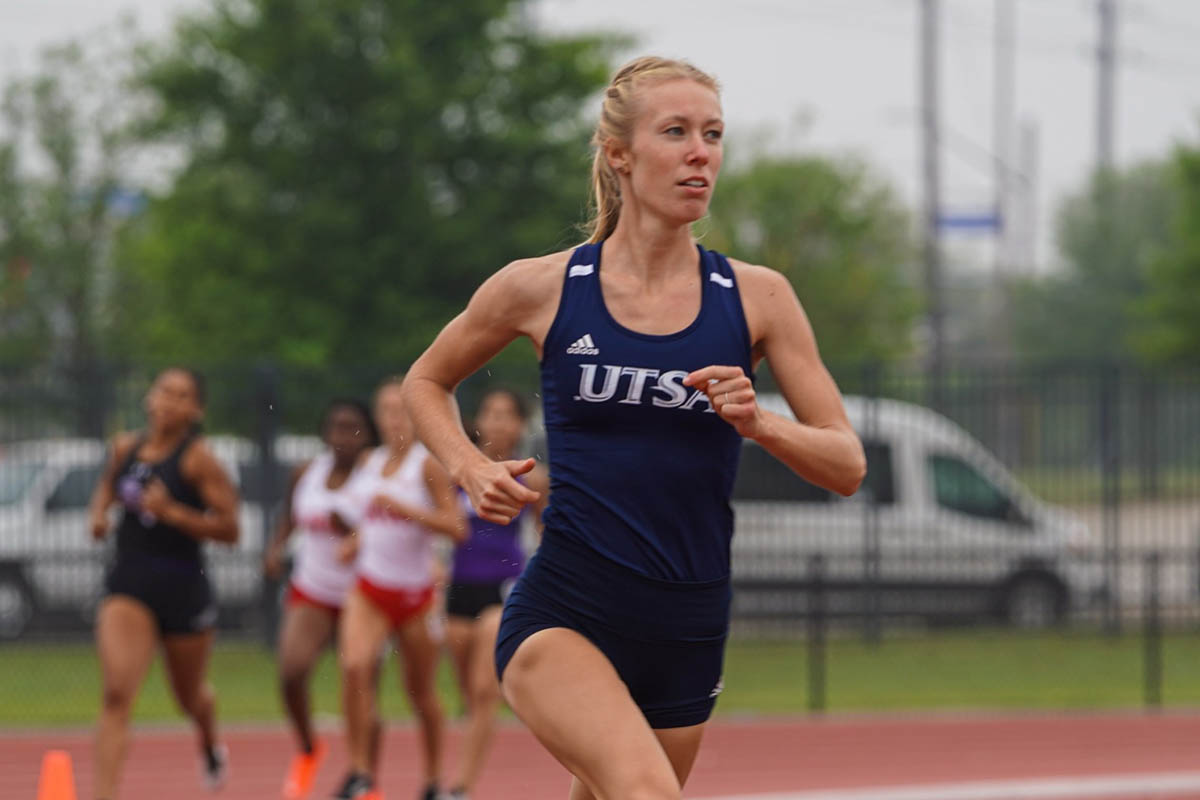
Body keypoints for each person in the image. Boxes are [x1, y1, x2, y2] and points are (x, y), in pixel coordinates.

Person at [403, 56, 866, 800]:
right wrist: (468, 465)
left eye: (713, 135)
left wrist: (761, 423)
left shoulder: (758, 297)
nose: (700, 153)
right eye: (676, 132)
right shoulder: (544, 286)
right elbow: (425, 381)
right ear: (619, 153)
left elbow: (846, 464)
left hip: (688, 619)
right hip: (567, 608)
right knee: (649, 794)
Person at [88, 367, 241, 800]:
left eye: (181, 395)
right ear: (149, 397)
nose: (169, 401)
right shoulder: (125, 448)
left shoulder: (199, 459)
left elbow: (231, 529)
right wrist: (98, 515)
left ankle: (208, 737)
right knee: (117, 693)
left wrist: (173, 512)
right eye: (164, 391)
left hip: (182, 586)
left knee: (188, 697)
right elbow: (106, 488)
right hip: (130, 580)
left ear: (195, 409)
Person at [330, 377, 467, 800]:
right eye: (388, 411)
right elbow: (364, 517)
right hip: (370, 590)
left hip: (415, 597)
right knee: (355, 667)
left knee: (420, 691)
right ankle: (359, 771)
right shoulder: (369, 462)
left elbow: (456, 527)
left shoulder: (426, 466)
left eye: (403, 411)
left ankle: (431, 780)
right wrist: (352, 542)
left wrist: (406, 511)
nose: (395, 420)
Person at [263, 399, 380, 799]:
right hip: (312, 587)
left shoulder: (373, 476)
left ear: (367, 433)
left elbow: (387, 531)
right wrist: (275, 548)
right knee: (291, 671)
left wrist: (351, 529)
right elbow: (290, 516)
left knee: (363, 690)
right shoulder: (306, 473)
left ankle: (364, 775)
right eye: (335, 427)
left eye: (351, 428)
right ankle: (310, 745)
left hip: (363, 594)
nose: (341, 437)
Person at [442, 389, 548, 800]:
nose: (499, 422)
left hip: (502, 588)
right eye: (491, 413)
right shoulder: (460, 474)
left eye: (507, 415)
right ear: (480, 420)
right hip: (458, 588)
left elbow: (549, 530)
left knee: (484, 691)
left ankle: (460, 787)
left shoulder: (534, 479)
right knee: (468, 694)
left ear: (520, 425)